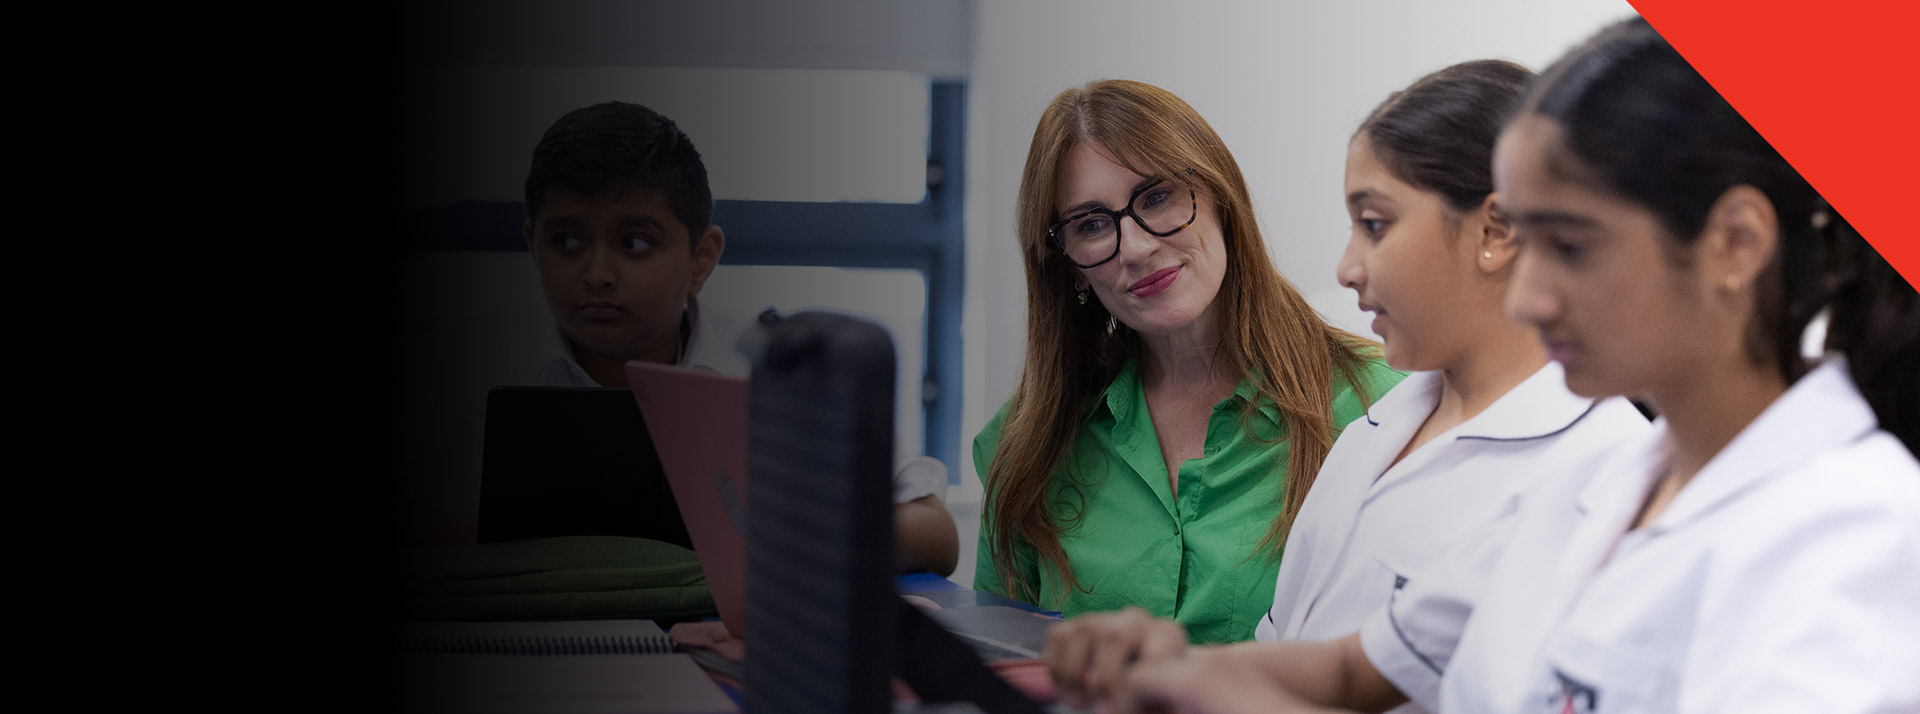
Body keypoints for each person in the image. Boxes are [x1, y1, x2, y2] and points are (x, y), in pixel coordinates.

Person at [1060, 17, 1920, 714]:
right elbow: (1354, 670)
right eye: (1527, 240)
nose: (1531, 297)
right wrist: (1172, 669)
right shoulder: (1600, 489)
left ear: (1734, 243)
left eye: (1571, 246)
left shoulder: (1856, 534)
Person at [1043, 60, 1651, 714]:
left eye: (1376, 225)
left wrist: (1201, 683)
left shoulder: (1600, 473)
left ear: (1495, 231)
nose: (1347, 267)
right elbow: (1340, 664)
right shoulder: (1377, 429)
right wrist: (1169, 669)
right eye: (1091, 225)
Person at [973, 80, 1406, 644]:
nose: (1136, 248)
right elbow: (999, 665)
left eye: (1157, 197)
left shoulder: (1383, 408)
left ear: (1221, 197)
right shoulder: (1029, 445)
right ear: (1070, 266)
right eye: (1091, 225)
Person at [522, 101, 960, 576]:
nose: (597, 274)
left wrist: (786, 533)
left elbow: (935, 532)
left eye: (635, 243)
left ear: (701, 260)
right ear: (532, 244)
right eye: (566, 241)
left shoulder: (782, 363)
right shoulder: (472, 369)